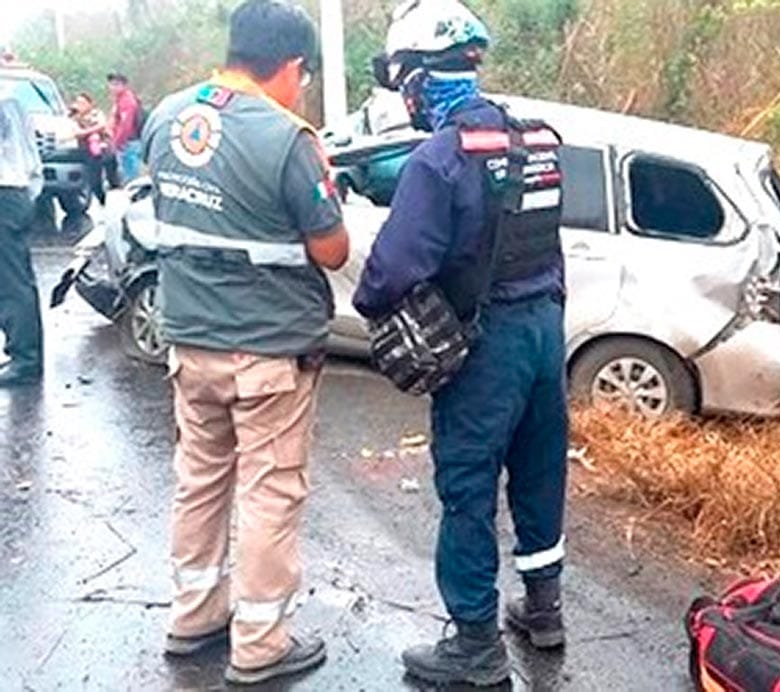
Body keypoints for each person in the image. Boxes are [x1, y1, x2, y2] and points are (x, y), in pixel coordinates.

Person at [353, 0, 569, 686]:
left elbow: (392, 268)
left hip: (485, 344)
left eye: (404, 82)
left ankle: (475, 645)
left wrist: (372, 308)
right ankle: (543, 608)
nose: (405, 96)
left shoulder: (439, 159)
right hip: (544, 328)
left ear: (419, 78)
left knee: (468, 487)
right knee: (539, 472)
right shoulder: (536, 138)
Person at [142, 0, 349, 686]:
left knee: (199, 481)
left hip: (188, 343)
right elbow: (331, 247)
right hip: (265, 354)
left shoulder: (165, 117)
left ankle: (193, 614)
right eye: (305, 76)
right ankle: (259, 644)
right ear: (291, 67)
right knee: (269, 492)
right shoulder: (287, 137)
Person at [0, 87, 44, 387]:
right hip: (17, 191)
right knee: (16, 278)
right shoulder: (11, 96)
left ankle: (25, 359)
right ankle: (24, 354)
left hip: (4, 192)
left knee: (12, 282)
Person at [69, 92, 119, 205]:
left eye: (83, 103)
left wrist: (90, 131)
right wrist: (93, 131)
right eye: (78, 103)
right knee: (95, 181)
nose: (80, 105)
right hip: (88, 153)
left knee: (113, 177)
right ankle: (102, 201)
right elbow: (77, 133)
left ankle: (116, 200)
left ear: (90, 104)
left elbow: (102, 125)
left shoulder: (97, 113)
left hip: (105, 149)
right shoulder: (74, 118)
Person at [107, 72, 143, 183]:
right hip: (126, 143)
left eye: (117, 84)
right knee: (127, 174)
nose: (113, 87)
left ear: (124, 85)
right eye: (111, 84)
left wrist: (117, 142)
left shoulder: (127, 101)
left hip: (128, 143)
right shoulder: (120, 100)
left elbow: (125, 125)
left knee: (131, 178)